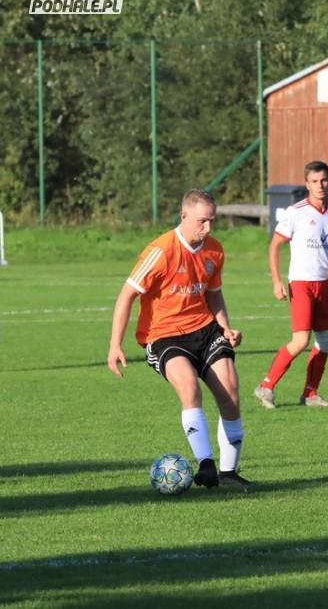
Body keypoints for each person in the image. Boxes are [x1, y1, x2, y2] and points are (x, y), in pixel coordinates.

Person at [108, 188, 252, 489]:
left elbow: (214, 295)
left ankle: (228, 473)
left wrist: (226, 328)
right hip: (164, 335)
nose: (208, 228)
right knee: (189, 386)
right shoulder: (160, 251)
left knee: (231, 392)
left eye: (212, 221)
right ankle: (206, 464)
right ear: (184, 215)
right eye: (202, 221)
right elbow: (126, 295)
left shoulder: (215, 250)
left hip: (205, 329)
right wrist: (115, 345)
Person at [253, 160, 328, 409]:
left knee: (326, 340)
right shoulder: (296, 212)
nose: (320, 185)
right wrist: (276, 281)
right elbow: (275, 245)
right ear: (307, 184)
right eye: (315, 181)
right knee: (301, 340)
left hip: (323, 284)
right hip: (301, 284)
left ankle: (310, 394)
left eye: (324, 180)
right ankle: (266, 386)